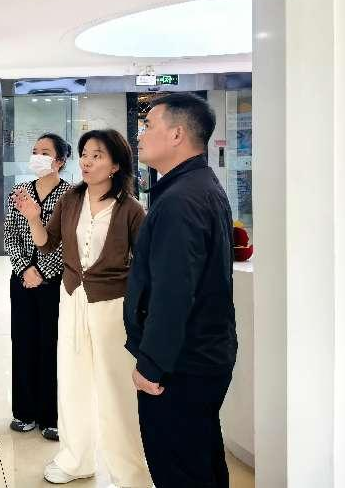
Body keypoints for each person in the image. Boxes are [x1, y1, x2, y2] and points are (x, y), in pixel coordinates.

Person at [16, 130, 152, 487]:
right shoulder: (72, 198)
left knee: (116, 389)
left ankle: (130, 473)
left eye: (97, 155)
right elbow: (47, 244)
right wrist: (33, 217)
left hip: (113, 305)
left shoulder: (131, 208)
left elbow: (146, 264)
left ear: (116, 165)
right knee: (72, 381)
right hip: (72, 297)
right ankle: (76, 460)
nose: (87, 162)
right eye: (85, 155)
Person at [123, 93, 237, 488]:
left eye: (148, 126)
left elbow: (172, 294)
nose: (140, 136)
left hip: (180, 365)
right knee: (201, 462)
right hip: (202, 356)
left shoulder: (180, 201)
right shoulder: (198, 186)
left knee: (179, 469)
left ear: (176, 135)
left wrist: (151, 365)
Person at [3, 133, 72, 441]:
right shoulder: (19, 193)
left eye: (45, 152)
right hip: (22, 280)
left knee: (52, 345)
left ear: (60, 161)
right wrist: (25, 269)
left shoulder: (71, 196)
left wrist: (43, 272)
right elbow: (9, 235)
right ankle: (24, 411)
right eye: (34, 151)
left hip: (55, 281)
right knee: (23, 342)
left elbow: (68, 242)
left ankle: (51, 415)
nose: (37, 156)